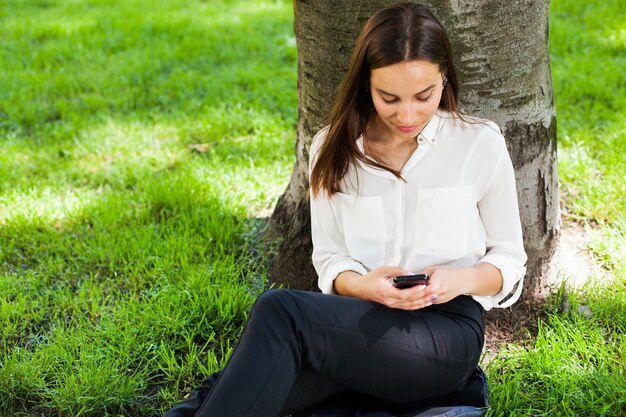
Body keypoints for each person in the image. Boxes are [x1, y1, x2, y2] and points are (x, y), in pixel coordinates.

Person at [162, 2, 526, 416]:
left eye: (424, 96)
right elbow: (332, 258)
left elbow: (509, 259)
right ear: (365, 85)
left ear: (445, 78)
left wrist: (457, 280)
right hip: (363, 320)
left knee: (279, 314)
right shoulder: (332, 150)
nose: (407, 114)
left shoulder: (479, 143)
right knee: (243, 380)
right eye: (388, 97)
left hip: (444, 333)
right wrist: (365, 286)